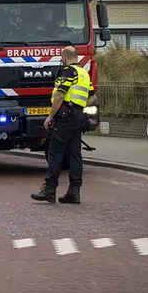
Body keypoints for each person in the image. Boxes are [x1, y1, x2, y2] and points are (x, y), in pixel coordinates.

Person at [31, 46, 97, 204]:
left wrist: (50, 116)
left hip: (65, 118)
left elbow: (60, 95)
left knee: (55, 153)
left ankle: (49, 190)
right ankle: (74, 192)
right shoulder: (83, 74)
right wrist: (78, 106)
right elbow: (93, 98)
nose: (61, 60)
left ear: (66, 57)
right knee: (75, 155)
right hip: (78, 118)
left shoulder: (68, 72)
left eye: (61, 58)